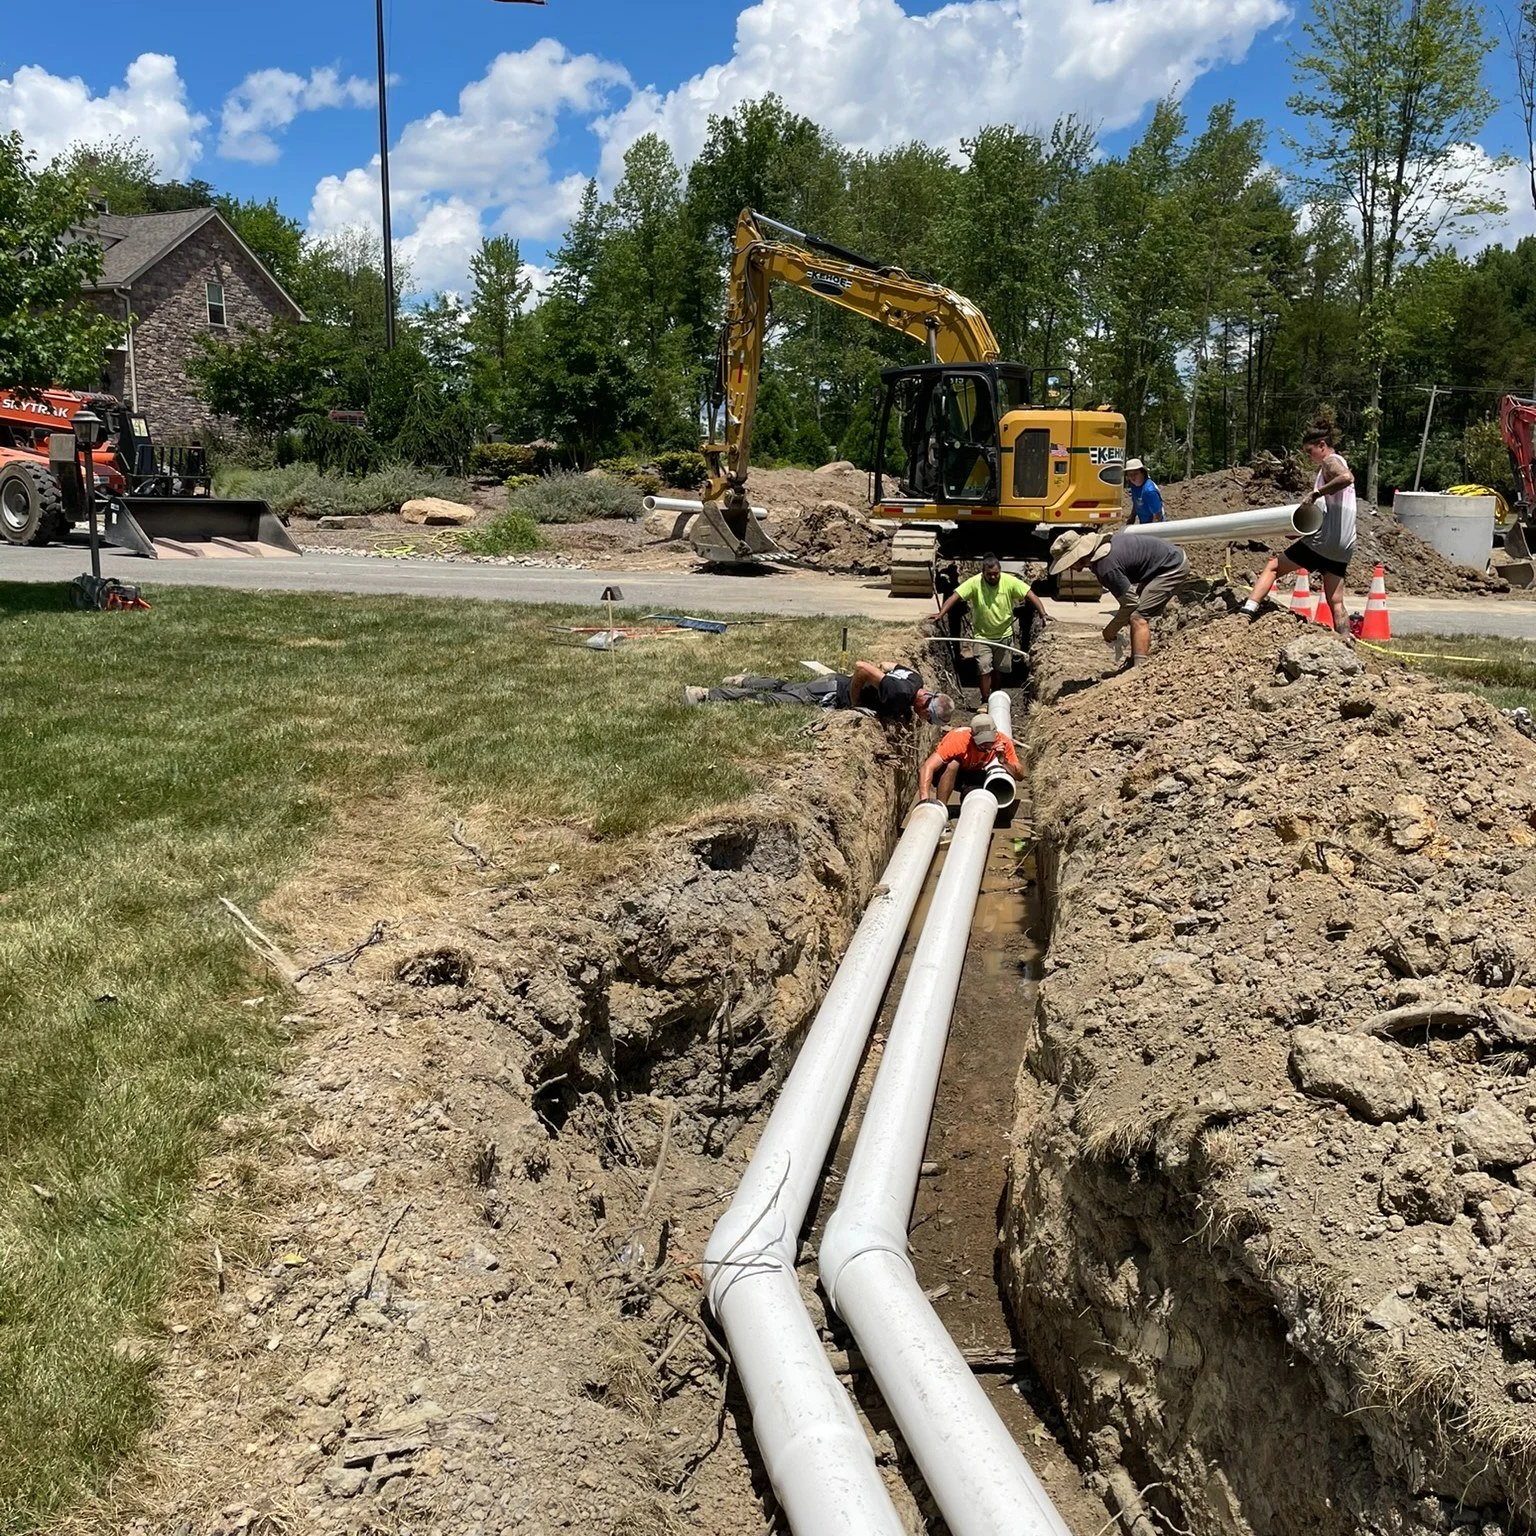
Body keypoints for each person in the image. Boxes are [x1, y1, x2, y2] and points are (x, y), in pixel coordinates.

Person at [1238, 425, 1356, 631]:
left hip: (1323, 542)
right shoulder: (1333, 468)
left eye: (1310, 452)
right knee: (1336, 602)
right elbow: (1325, 514)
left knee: (1273, 566)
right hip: (1344, 545)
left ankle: (1246, 611)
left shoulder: (1330, 461)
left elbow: (1346, 478)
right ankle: (1346, 640)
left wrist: (1316, 493)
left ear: (1322, 445)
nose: (1309, 457)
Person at [1048, 528, 1191, 668]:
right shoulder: (1100, 551)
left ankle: (1138, 671)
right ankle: (1133, 663)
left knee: (1138, 616)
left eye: (1068, 563)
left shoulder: (1106, 567)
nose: (1069, 568)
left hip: (1172, 566)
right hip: (1159, 565)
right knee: (1134, 613)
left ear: (1078, 556)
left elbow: (1130, 604)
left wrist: (1110, 631)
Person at [930, 552, 1049, 701]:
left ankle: (996, 696)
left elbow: (1030, 594)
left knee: (998, 669)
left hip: (1004, 635)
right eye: (989, 575)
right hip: (982, 636)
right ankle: (985, 699)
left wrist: (1043, 614)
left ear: (1000, 571)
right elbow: (955, 596)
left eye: (995, 574)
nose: (993, 577)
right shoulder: (975, 583)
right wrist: (941, 614)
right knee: (983, 668)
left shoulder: (1009, 581)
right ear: (983, 573)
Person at [685, 661, 953, 725]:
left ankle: (743, 679)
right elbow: (862, 667)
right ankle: (705, 694)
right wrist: (854, 701)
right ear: (925, 707)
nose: (922, 721)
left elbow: (884, 665)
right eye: (927, 719)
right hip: (833, 693)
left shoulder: (914, 678)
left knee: (785, 687)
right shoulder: (898, 693)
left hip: (832, 682)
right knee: (773, 701)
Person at [917, 710, 1023, 805]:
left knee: (972, 800)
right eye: (982, 743)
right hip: (952, 774)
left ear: (995, 734)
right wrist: (924, 800)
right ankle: (941, 808)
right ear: (972, 736)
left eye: (989, 742)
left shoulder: (1002, 742)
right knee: (953, 764)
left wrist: (1004, 761)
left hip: (976, 775)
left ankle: (968, 798)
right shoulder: (958, 739)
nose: (986, 747)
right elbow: (927, 767)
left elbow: (1020, 776)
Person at [1125, 458, 1164, 524]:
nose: (1132, 477)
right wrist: (1132, 518)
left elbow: (1157, 516)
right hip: (1143, 523)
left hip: (1155, 525)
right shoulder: (1134, 486)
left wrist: (1149, 531)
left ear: (1143, 473)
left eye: (1135, 473)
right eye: (1130, 474)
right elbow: (1137, 503)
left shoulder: (1149, 491)